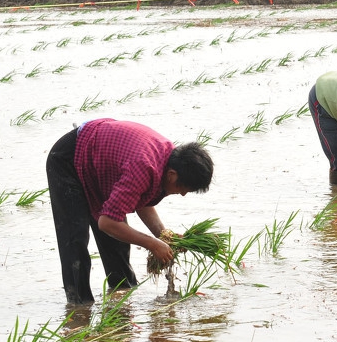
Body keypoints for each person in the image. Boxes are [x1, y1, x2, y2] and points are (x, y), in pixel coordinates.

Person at [46, 118, 213, 306]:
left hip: (99, 165)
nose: (182, 194)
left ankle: (121, 301)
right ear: (172, 175)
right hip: (69, 160)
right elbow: (107, 222)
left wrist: (163, 235)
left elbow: (141, 198)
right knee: (75, 240)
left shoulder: (168, 160)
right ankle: (79, 309)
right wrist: (153, 244)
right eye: (183, 188)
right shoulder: (143, 166)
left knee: (118, 243)